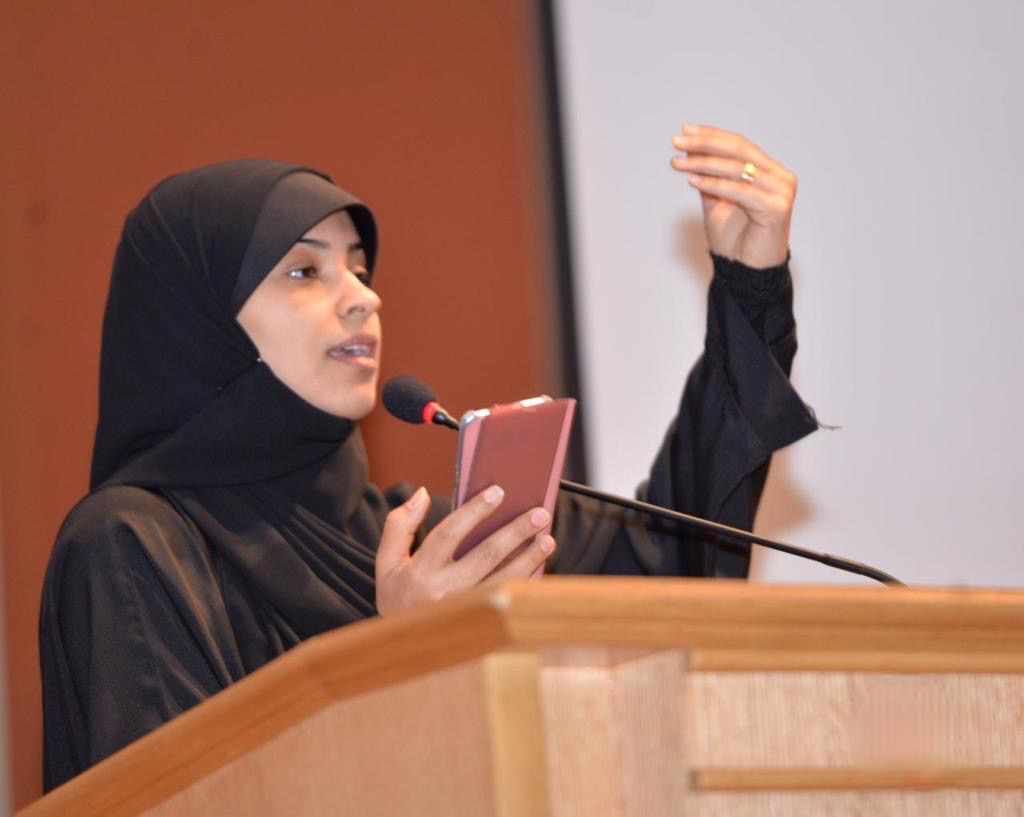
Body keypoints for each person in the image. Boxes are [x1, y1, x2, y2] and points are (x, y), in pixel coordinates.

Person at [38, 125, 817, 789]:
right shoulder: (133, 545)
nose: (364, 296)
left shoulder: (408, 541)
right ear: (199, 322)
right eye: (305, 270)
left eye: (359, 267)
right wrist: (397, 661)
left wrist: (749, 288)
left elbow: (662, 559)